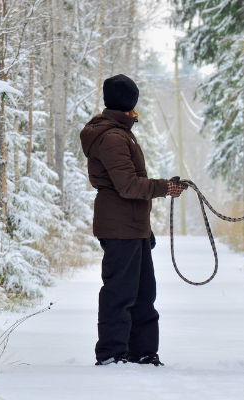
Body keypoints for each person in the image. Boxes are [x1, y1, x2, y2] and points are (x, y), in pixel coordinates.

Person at [80, 74, 186, 366]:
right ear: (129, 103)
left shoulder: (119, 132)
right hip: (119, 225)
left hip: (133, 225)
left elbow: (131, 184)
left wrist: (145, 228)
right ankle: (113, 354)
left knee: (143, 295)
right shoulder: (113, 137)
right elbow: (128, 186)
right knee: (119, 294)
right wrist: (165, 188)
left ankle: (142, 352)